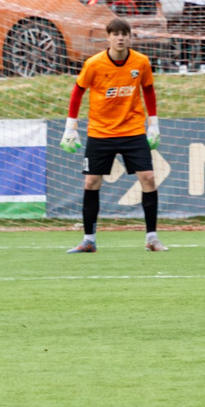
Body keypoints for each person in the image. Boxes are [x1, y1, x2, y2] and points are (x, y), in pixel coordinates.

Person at [60, 16, 164, 253]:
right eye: (115, 34)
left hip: (133, 130)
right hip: (100, 132)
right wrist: (70, 127)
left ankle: (152, 238)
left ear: (129, 37)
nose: (120, 38)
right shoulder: (94, 64)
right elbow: (78, 92)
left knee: (148, 178)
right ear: (108, 38)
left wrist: (154, 124)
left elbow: (148, 90)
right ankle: (89, 240)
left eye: (124, 34)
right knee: (91, 182)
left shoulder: (141, 62)